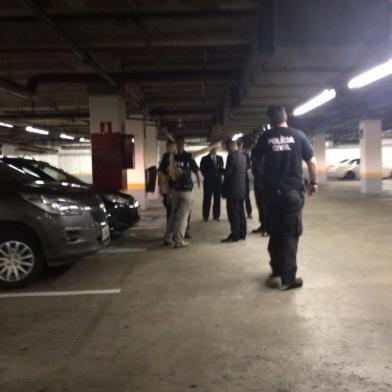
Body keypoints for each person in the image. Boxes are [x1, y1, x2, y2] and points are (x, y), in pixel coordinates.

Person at [253, 105, 318, 290]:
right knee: (290, 233)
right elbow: (312, 162)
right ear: (285, 116)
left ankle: (276, 271)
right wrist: (314, 183)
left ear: (270, 120)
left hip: (271, 194)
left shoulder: (265, 138)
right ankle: (288, 278)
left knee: (275, 231)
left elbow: (256, 161)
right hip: (291, 193)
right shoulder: (298, 135)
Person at [164, 135, 201, 248]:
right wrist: (200, 181)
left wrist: (166, 189)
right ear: (183, 145)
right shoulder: (188, 156)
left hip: (174, 190)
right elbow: (197, 171)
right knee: (183, 216)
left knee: (174, 214)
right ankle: (179, 239)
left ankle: (168, 237)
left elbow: (164, 174)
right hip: (185, 190)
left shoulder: (169, 157)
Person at [221, 139, 247, 243]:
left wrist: (219, 170)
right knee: (241, 212)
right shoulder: (243, 156)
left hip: (232, 190)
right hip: (241, 189)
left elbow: (228, 174)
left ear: (230, 146)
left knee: (233, 213)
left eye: (226, 148)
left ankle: (234, 235)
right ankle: (242, 233)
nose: (227, 150)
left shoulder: (231, 156)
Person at [200, 145, 224, 221]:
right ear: (210, 149)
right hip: (208, 182)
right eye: (213, 148)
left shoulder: (220, 158)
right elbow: (202, 170)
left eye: (216, 149)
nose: (214, 150)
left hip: (218, 182)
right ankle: (205, 216)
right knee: (207, 199)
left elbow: (221, 168)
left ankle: (216, 216)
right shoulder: (204, 159)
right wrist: (208, 175)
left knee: (217, 199)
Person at [251, 140, 268, 236]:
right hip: (257, 179)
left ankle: (267, 228)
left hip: (265, 181)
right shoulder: (255, 150)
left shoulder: (266, 149)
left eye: (256, 139)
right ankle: (262, 225)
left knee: (266, 206)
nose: (253, 141)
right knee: (260, 205)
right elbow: (254, 164)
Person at [158, 140, 176, 223]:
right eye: (168, 147)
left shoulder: (178, 156)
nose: (169, 148)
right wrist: (161, 186)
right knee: (169, 206)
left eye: (171, 147)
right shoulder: (165, 156)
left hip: (177, 185)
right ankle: (169, 228)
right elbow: (161, 172)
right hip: (168, 185)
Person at [237, 140, 252, 219]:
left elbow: (249, 165)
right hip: (237, 179)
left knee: (247, 196)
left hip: (244, 178)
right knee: (238, 197)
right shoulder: (233, 155)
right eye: (239, 145)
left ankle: (249, 213)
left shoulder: (245, 154)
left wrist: (243, 168)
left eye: (241, 145)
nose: (240, 147)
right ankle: (240, 213)